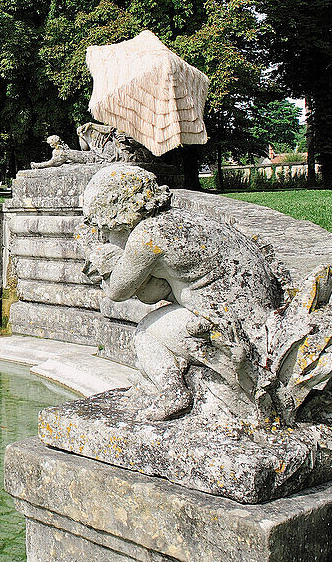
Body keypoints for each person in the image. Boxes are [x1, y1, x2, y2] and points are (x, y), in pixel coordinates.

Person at [82, 164, 283, 421]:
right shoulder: (178, 220)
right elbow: (157, 291)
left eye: (104, 226)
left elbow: (118, 291)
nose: (104, 232)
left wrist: (100, 261)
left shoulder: (147, 237)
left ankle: (172, 393)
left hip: (231, 326)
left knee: (146, 333)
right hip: (256, 313)